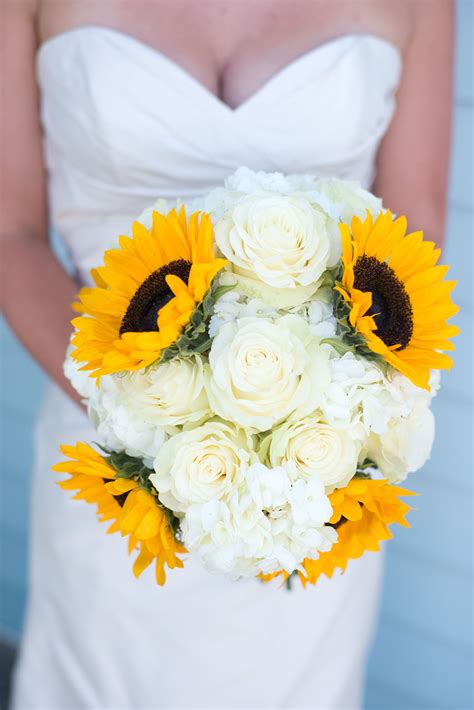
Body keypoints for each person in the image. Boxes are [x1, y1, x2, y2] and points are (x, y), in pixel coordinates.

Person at [1, 1, 453, 707]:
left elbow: (413, 225)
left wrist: (311, 437)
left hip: (313, 474)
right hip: (106, 448)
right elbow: (11, 231)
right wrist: (148, 424)